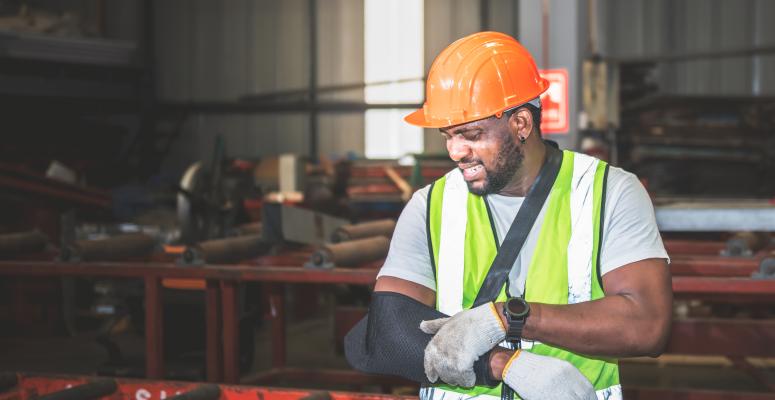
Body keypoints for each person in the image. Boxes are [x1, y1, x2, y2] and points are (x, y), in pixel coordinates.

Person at [347, 31, 672, 400]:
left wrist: (506, 317)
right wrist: (504, 364)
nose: (455, 151)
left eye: (471, 134)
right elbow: (387, 331)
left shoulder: (607, 192)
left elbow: (649, 325)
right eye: (447, 135)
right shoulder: (431, 205)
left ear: (520, 124)